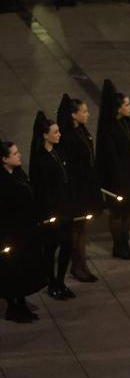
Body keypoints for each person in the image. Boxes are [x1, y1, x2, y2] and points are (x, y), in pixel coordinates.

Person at [96, 80, 130, 259]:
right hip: (117, 178)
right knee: (117, 213)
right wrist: (118, 179)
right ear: (118, 108)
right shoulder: (108, 129)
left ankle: (125, 244)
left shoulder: (126, 123)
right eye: (126, 104)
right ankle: (118, 245)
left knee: (128, 211)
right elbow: (109, 157)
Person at [29, 111, 75, 300]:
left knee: (67, 245)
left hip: (65, 208)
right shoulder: (41, 160)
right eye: (55, 132)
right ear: (45, 135)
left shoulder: (59, 151)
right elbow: (42, 190)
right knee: (51, 248)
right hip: (52, 211)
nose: (59, 135)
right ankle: (52, 283)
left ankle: (61, 281)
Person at [55, 95, 101, 283]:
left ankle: (80, 264)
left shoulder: (81, 130)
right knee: (77, 228)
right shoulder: (68, 136)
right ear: (73, 115)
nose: (88, 114)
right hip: (77, 189)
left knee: (82, 227)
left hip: (86, 185)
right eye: (84, 111)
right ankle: (78, 264)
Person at [1, 140, 45, 322]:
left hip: (25, 231)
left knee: (25, 269)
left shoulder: (18, 173)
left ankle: (21, 304)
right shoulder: (3, 182)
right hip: (11, 234)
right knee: (13, 271)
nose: (19, 155)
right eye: (14, 154)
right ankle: (13, 308)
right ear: (4, 159)